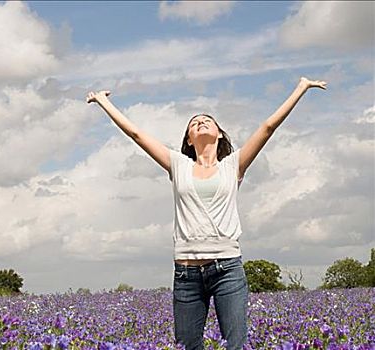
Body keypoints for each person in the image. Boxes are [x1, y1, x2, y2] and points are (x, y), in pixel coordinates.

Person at [86, 77, 327, 350]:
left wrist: (301, 88)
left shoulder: (232, 165)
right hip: (186, 273)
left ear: (220, 134)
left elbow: (268, 127)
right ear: (189, 139)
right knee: (187, 345)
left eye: (207, 120)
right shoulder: (178, 165)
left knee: (236, 345)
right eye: (193, 122)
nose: (200, 122)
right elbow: (137, 135)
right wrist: (105, 102)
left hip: (228, 270)